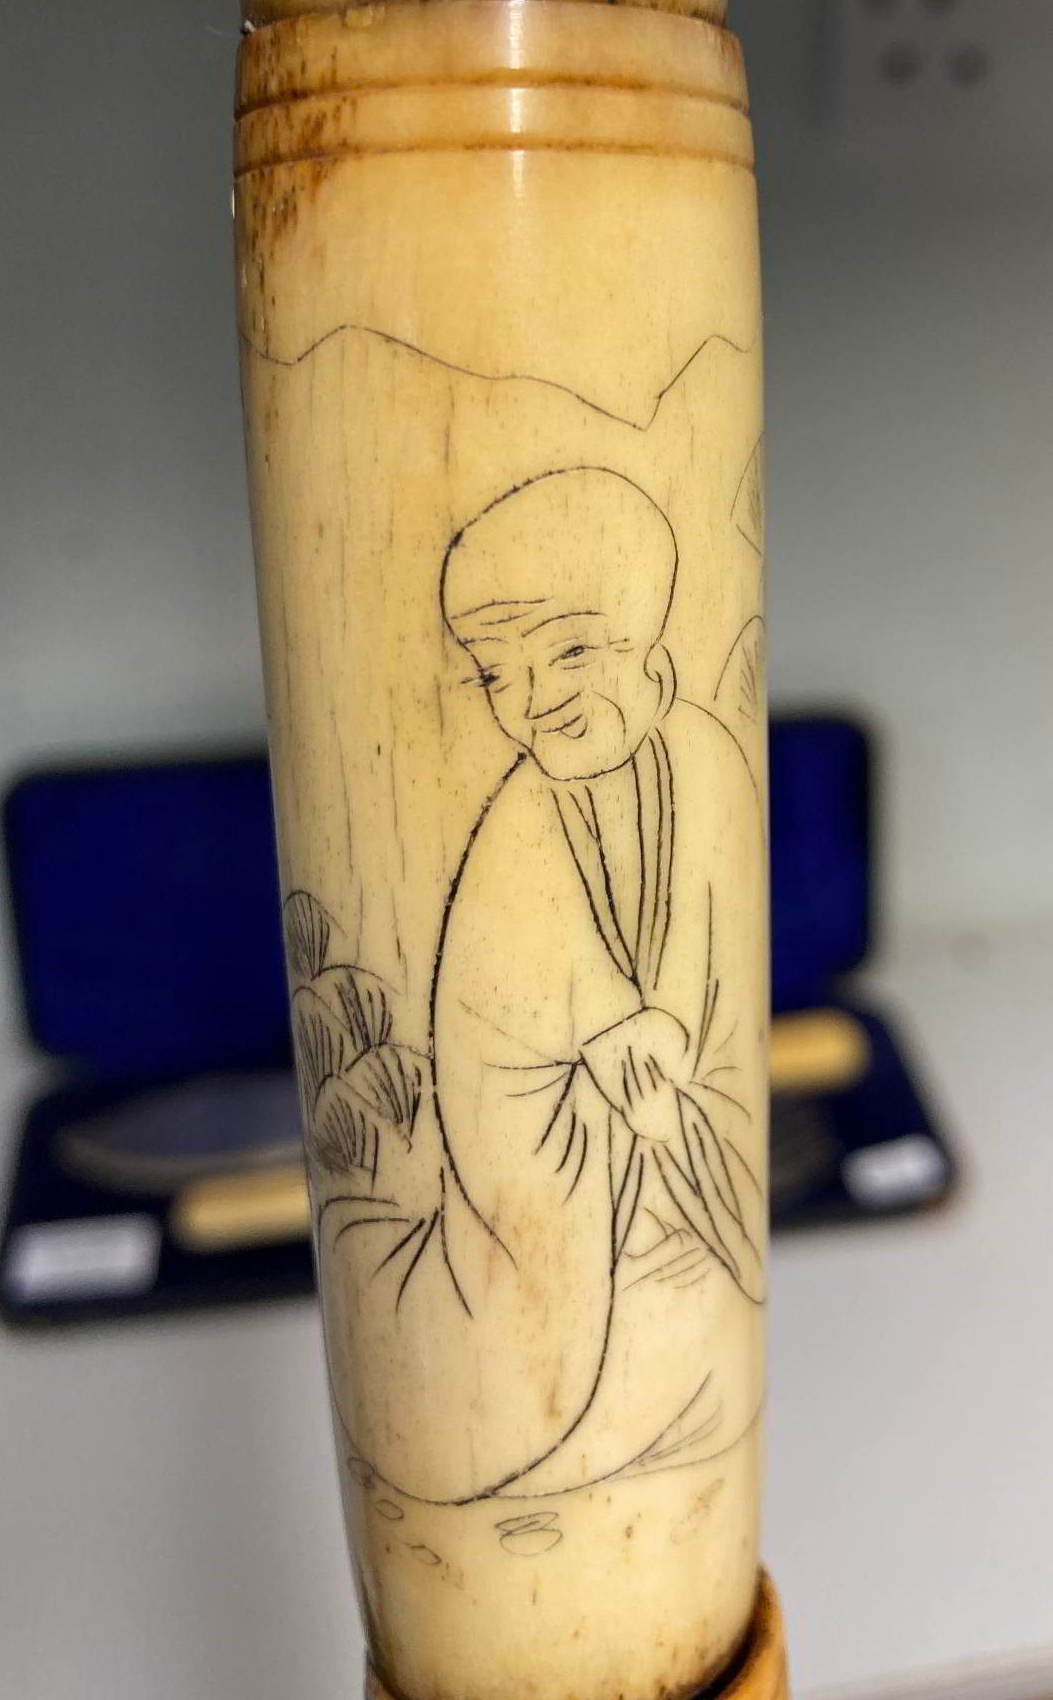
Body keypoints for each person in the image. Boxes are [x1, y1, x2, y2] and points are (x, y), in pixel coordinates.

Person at [319, 467, 765, 1506]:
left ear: (649, 643)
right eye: (495, 672)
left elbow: (710, 998)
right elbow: (520, 1039)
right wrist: (621, 1045)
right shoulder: (516, 827)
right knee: (474, 1422)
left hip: (668, 1150)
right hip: (551, 1173)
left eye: (568, 650)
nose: (532, 698)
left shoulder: (705, 756)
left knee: (700, 1359)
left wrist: (672, 1060)